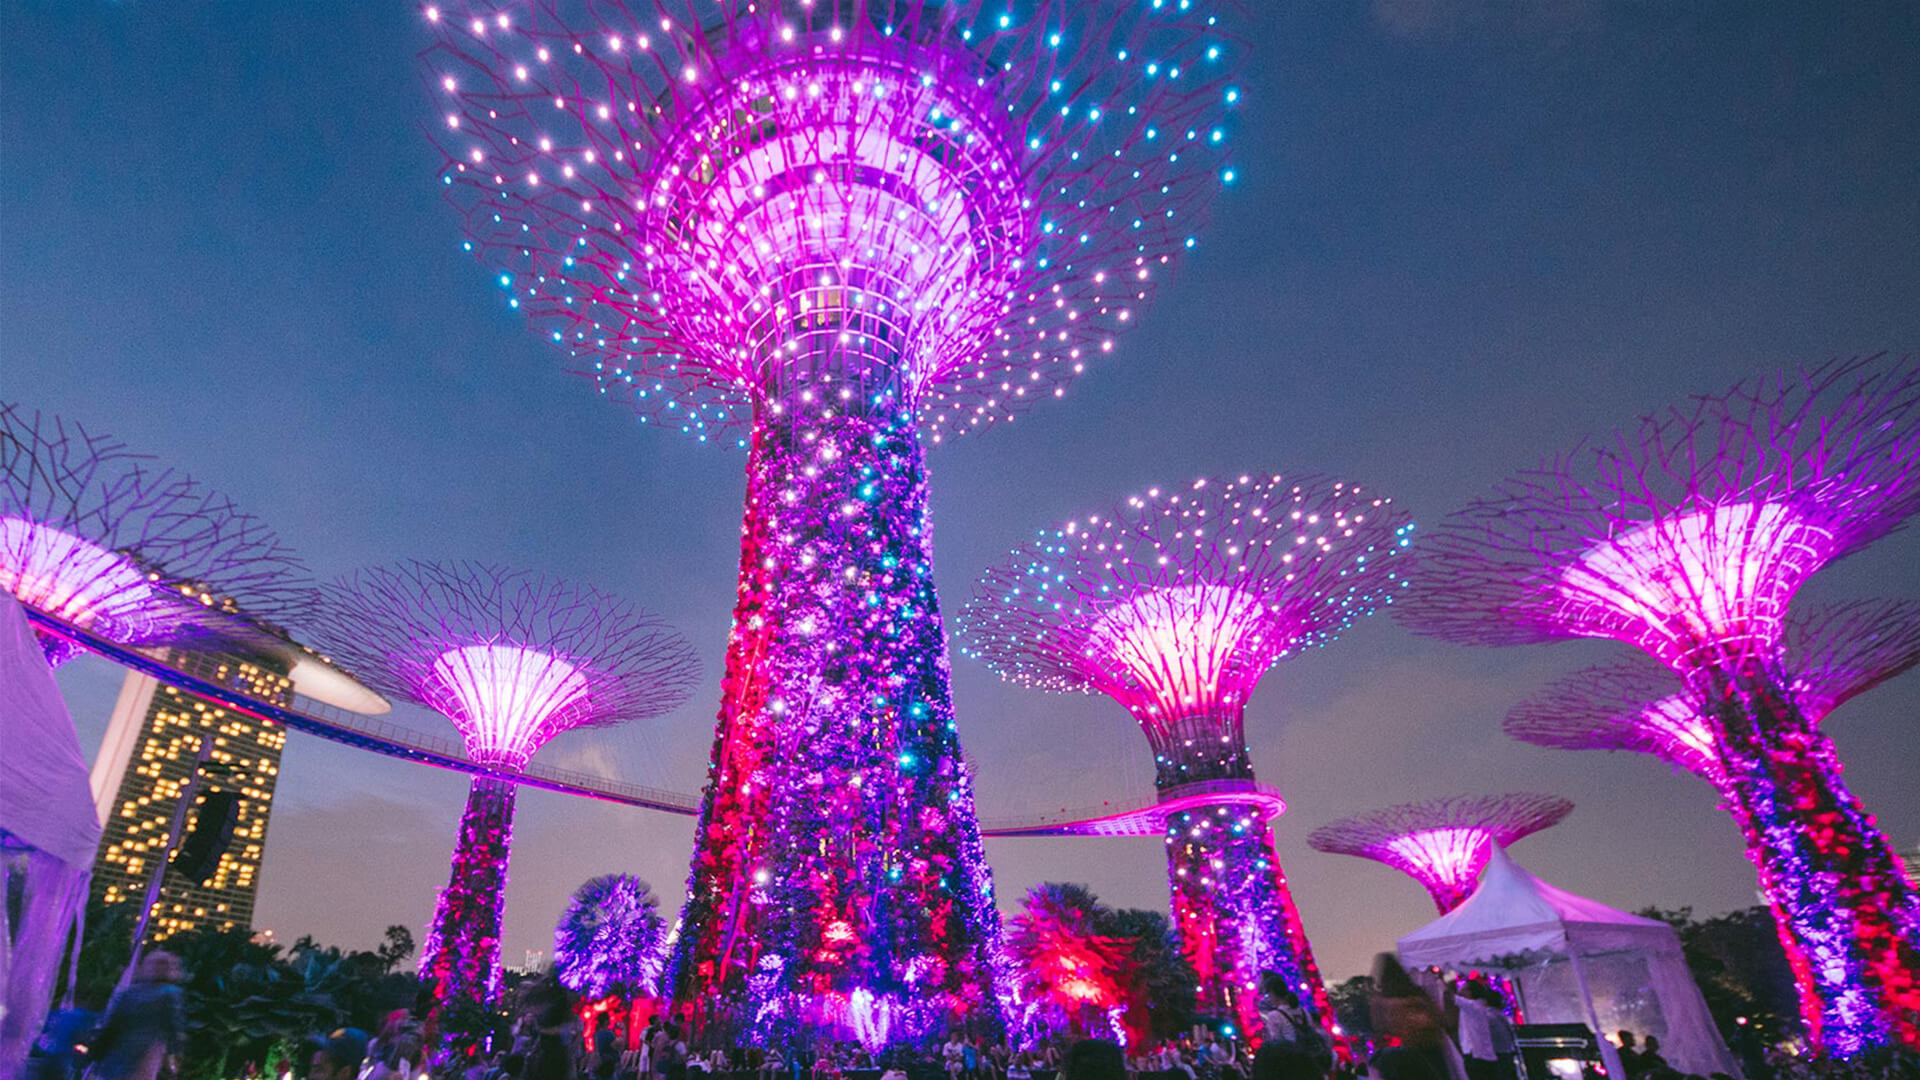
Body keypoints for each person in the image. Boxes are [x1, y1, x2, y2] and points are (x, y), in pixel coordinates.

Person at [89, 952, 186, 1080]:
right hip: (147, 1049)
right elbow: (173, 1026)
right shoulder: (170, 993)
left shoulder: (131, 992)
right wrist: (175, 1053)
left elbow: (114, 1023)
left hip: (120, 1049)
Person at [1366, 954, 1464, 1080]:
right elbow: (1440, 1018)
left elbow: (1378, 1026)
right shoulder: (1418, 994)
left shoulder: (1382, 1001)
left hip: (1407, 1052)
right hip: (1432, 1045)